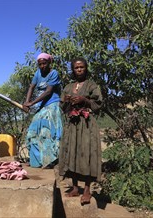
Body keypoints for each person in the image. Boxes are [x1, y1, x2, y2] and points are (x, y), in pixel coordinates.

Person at [58, 57, 103, 205]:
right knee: (72, 153)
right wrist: (68, 101)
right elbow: (62, 106)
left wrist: (84, 100)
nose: (79, 70)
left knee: (87, 154)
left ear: (86, 68)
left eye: (82, 67)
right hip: (72, 124)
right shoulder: (68, 86)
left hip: (87, 124)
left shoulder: (92, 85)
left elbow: (97, 104)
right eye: (76, 68)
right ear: (73, 69)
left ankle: (87, 190)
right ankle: (75, 187)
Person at [23, 53, 63, 168]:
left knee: (48, 131)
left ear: (49, 63)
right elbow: (31, 87)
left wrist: (32, 103)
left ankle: (50, 161)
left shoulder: (53, 73)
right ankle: (37, 161)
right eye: (40, 64)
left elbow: (48, 92)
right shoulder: (37, 73)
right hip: (42, 105)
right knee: (33, 130)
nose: (42, 66)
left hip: (52, 104)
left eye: (44, 63)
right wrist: (27, 102)